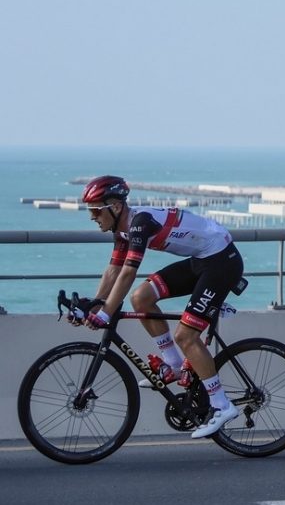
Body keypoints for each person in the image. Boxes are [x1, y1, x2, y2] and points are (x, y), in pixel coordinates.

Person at [79, 175, 245, 439]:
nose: (92, 217)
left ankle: (222, 406)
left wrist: (106, 313)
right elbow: (113, 270)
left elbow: (128, 272)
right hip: (201, 259)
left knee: (186, 336)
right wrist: (96, 304)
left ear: (116, 206)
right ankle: (174, 364)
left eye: (96, 210)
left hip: (221, 262)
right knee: (141, 298)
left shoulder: (140, 224)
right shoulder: (122, 230)